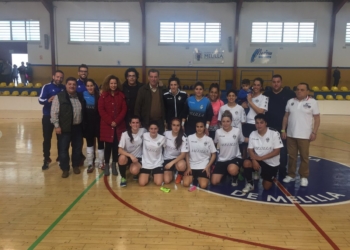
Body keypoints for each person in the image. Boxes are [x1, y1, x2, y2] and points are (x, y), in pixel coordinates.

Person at [282, 83, 320, 187]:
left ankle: (303, 176)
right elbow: (286, 116)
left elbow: (317, 118)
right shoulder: (290, 101)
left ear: (307, 91)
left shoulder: (313, 102)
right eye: (298, 89)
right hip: (291, 134)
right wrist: (283, 130)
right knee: (292, 157)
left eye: (302, 90)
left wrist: (314, 132)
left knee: (304, 157)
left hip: (305, 135)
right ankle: (291, 174)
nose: (299, 91)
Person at [51, 77, 85, 178]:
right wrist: (57, 126)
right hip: (64, 128)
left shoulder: (79, 96)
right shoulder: (59, 97)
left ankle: (75, 166)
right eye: (69, 84)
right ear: (66, 85)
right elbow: (54, 113)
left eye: (74, 84)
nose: (72, 86)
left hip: (78, 128)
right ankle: (65, 169)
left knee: (77, 148)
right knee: (63, 150)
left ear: (76, 86)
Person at [264, 74, 295, 178]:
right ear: (271, 83)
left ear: (281, 82)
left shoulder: (289, 94)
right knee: (268, 149)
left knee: (283, 151)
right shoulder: (266, 94)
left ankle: (282, 171)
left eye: (278, 82)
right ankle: (268, 169)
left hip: (283, 128)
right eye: (274, 82)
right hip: (269, 128)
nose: (276, 84)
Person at [242, 114, 283, 193]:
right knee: (247, 163)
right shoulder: (253, 134)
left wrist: (260, 158)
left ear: (266, 123)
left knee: (266, 187)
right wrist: (254, 160)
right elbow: (250, 149)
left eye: (261, 122)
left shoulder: (274, 133)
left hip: (271, 163)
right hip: (257, 159)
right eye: (257, 123)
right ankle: (250, 184)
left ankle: (264, 174)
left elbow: (277, 151)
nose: (259, 125)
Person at [98, 75, 127, 176]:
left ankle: (114, 165)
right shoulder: (103, 96)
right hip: (107, 126)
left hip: (119, 126)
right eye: (111, 83)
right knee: (108, 147)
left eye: (115, 83)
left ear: (117, 84)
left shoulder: (121, 95)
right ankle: (106, 165)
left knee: (116, 147)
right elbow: (101, 110)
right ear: (108, 84)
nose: (113, 85)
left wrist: (117, 121)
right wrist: (111, 121)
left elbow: (124, 110)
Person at [38, 70, 65, 170]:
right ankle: (46, 159)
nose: (59, 79)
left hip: (60, 117)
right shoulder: (46, 86)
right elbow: (40, 99)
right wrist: (48, 100)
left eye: (61, 77)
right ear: (53, 77)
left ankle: (60, 158)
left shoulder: (63, 88)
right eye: (57, 77)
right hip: (48, 116)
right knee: (47, 139)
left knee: (61, 139)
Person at [212, 111, 247, 187]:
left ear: (231, 121)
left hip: (235, 158)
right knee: (214, 182)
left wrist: (255, 139)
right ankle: (225, 173)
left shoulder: (237, 130)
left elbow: (243, 139)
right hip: (222, 159)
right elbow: (214, 143)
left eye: (228, 121)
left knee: (232, 170)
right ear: (221, 122)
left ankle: (235, 175)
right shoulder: (218, 132)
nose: (225, 123)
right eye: (223, 121)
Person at [241, 77, 268, 161]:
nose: (256, 87)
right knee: (244, 148)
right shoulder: (249, 96)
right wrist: (242, 105)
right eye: (254, 85)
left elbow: (260, 112)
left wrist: (250, 102)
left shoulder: (264, 98)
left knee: (256, 148)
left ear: (261, 87)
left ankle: (256, 169)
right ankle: (244, 168)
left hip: (256, 125)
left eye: (258, 85)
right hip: (246, 124)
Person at [184, 120, 216, 189]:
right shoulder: (190, 138)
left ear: (204, 127)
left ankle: (199, 178)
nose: (199, 128)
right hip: (192, 166)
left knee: (203, 185)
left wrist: (208, 167)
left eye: (201, 127)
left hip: (203, 167)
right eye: (197, 127)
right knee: (186, 184)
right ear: (195, 128)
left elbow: (214, 154)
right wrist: (188, 167)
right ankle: (195, 178)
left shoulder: (209, 139)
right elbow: (186, 153)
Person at [134, 69, 167, 134]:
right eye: (151, 77)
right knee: (147, 142)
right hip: (146, 122)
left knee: (159, 141)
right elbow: (137, 107)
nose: (153, 79)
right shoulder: (142, 90)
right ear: (148, 77)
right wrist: (138, 121)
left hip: (160, 122)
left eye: (155, 77)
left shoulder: (163, 89)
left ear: (158, 78)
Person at [82, 79, 104, 173]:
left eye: (92, 85)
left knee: (101, 144)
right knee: (90, 145)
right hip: (88, 124)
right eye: (88, 86)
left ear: (94, 86)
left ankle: (101, 163)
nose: (90, 87)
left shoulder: (99, 96)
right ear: (86, 87)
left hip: (99, 124)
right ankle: (90, 163)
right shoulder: (82, 95)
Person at [118, 115, 147, 187]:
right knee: (122, 158)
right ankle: (123, 177)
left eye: (137, 122)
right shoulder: (125, 134)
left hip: (138, 157)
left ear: (140, 124)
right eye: (133, 122)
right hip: (128, 156)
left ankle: (135, 172)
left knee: (134, 171)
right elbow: (120, 150)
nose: (135, 124)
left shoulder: (143, 131)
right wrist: (130, 155)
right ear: (130, 124)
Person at [139, 121, 166, 186]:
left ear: (158, 129)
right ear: (148, 129)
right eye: (151, 128)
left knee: (158, 183)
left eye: (155, 129)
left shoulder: (162, 138)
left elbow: (165, 149)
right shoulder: (144, 135)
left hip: (157, 163)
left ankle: (154, 174)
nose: (153, 130)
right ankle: (148, 174)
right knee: (142, 183)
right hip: (146, 163)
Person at [163, 118, 188, 184]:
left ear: (180, 126)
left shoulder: (184, 137)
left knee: (182, 166)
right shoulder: (165, 134)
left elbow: (183, 155)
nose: (175, 127)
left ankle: (180, 173)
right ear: (171, 126)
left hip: (178, 159)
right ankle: (173, 171)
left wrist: (172, 163)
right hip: (167, 158)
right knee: (166, 181)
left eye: (178, 125)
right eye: (174, 125)